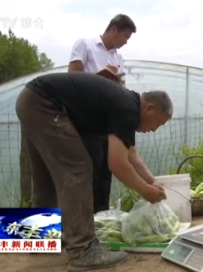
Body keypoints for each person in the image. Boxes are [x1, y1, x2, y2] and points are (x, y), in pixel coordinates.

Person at [16, 72, 171, 271]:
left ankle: (40, 238)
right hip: (45, 103)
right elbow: (117, 164)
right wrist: (145, 191)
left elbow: (131, 153)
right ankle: (83, 250)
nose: (155, 129)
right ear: (150, 108)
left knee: (45, 176)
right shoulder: (128, 109)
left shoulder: (125, 103)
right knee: (78, 168)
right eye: (159, 123)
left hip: (32, 100)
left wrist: (151, 181)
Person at [68, 14, 136, 214]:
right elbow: (72, 75)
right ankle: (83, 218)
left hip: (107, 118)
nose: (125, 42)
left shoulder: (118, 57)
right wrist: (99, 77)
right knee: (90, 167)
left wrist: (117, 83)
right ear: (114, 29)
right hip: (84, 116)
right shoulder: (85, 45)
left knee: (106, 169)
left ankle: (101, 215)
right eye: (124, 36)